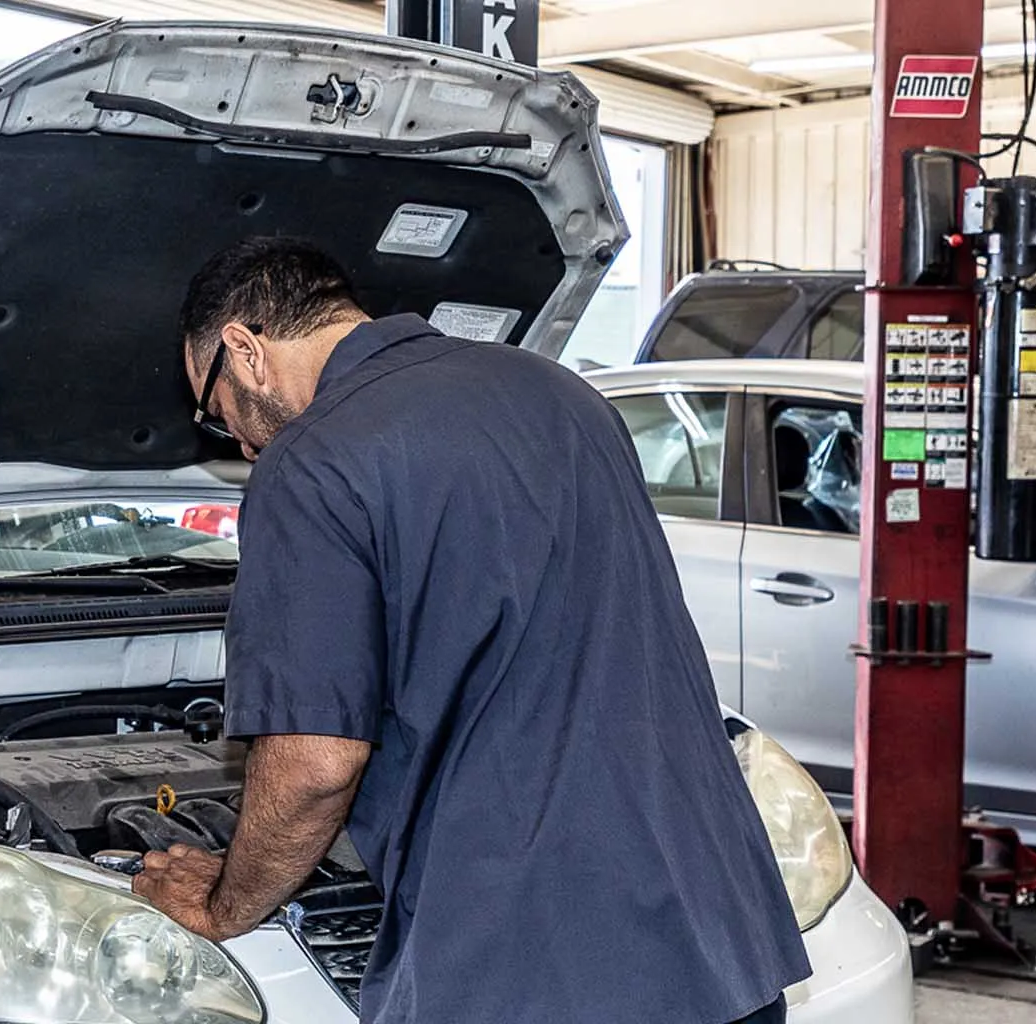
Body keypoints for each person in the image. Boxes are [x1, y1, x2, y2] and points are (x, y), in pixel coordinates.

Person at [131, 237, 811, 1023]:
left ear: (244, 351)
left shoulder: (313, 462)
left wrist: (225, 904)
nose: (243, 444)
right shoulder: (562, 394)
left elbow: (316, 764)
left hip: (535, 967)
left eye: (216, 414)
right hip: (715, 926)